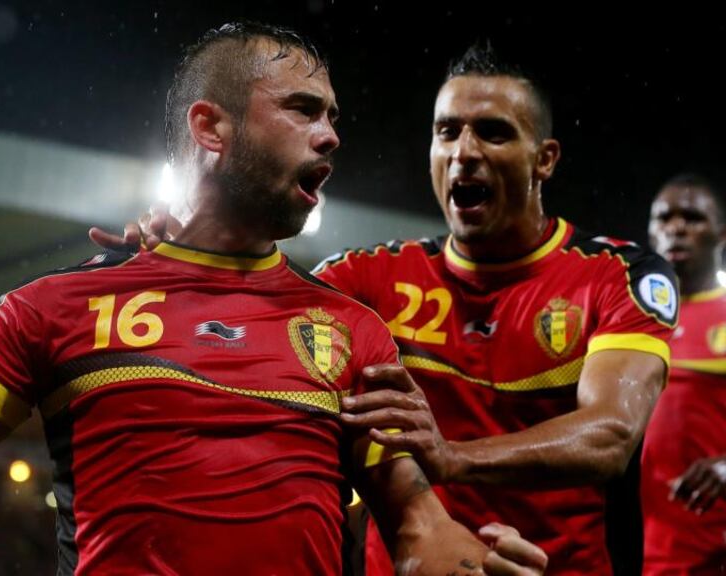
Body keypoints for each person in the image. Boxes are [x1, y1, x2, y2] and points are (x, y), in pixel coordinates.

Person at [0, 23, 544, 576]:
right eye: (302, 111)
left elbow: (415, 525)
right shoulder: (51, 311)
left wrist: (472, 557)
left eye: (332, 116)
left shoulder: (352, 331)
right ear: (211, 129)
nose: (330, 134)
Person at [98, 43, 677, 575]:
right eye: (447, 132)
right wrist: (178, 257)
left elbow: (611, 434)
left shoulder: (616, 274)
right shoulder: (368, 278)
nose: (463, 152)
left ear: (545, 159)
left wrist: (454, 458)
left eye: (493, 133)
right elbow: (245, 318)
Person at [642, 173, 726, 574]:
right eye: (664, 218)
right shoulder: (628, 321)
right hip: (626, 550)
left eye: (692, 218)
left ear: (721, 235)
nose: (675, 227)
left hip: (707, 552)